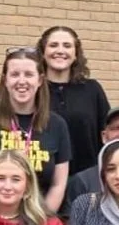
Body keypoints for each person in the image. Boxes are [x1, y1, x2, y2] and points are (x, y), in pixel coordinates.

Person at [0, 46, 71, 213]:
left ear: (40, 80)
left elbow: (58, 184)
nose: (22, 81)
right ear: (5, 80)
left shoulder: (57, 125)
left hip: (39, 219)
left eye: (29, 74)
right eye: (15, 74)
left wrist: (42, 220)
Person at [38, 25, 110, 176]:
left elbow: (106, 133)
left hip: (87, 179)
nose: (60, 50)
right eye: (53, 45)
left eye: (67, 46)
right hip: (43, 179)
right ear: (43, 52)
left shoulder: (92, 90)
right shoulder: (34, 90)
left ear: (76, 54)